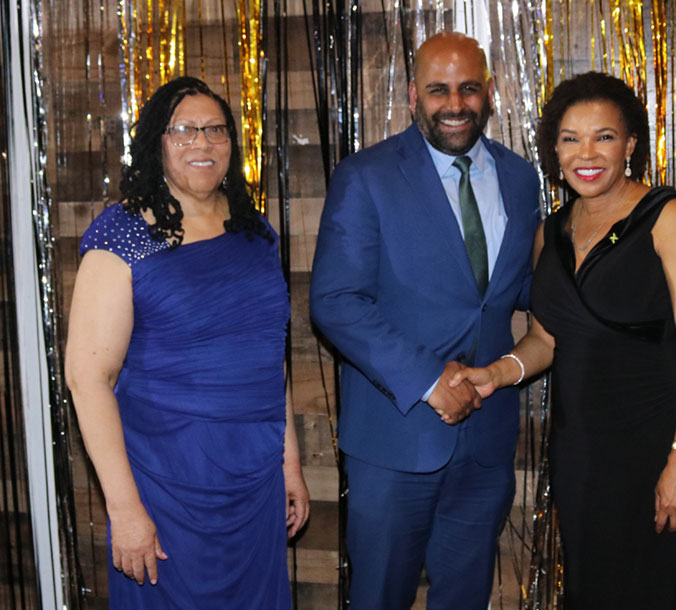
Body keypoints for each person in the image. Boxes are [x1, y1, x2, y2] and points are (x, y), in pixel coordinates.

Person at [450, 71, 676, 608]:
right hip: (580, 452)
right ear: (555, 149)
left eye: (604, 136)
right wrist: (494, 374)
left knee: (647, 592)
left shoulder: (668, 218)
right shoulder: (550, 232)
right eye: (571, 138)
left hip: (652, 451)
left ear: (630, 145)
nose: (586, 153)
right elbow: (548, 338)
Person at [309, 32, 540, 609]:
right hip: (396, 436)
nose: (455, 104)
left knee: (464, 599)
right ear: (414, 94)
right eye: (439, 90)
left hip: (486, 440)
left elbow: (518, 290)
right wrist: (430, 381)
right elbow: (335, 300)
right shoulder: (367, 176)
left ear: (491, 92)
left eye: (468, 88)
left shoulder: (519, 177)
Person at [64, 77, 309, 609]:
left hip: (254, 486)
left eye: (215, 130)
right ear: (157, 142)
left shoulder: (255, 231)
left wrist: (290, 466)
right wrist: (124, 509)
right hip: (166, 489)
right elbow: (87, 379)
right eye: (184, 131)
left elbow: (272, 364)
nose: (203, 143)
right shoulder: (121, 235)